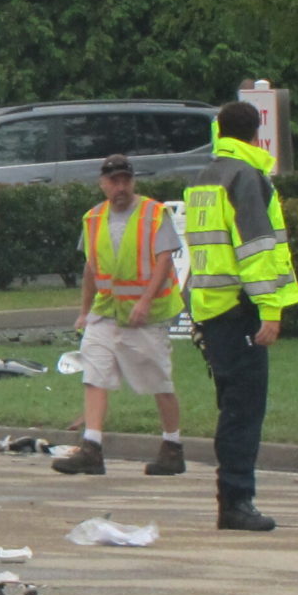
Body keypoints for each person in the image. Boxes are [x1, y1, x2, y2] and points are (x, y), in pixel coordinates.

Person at [180, 101, 298, 531]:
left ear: (220, 131)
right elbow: (255, 250)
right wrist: (270, 310)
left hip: (212, 308)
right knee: (243, 411)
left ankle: (233, 498)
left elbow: (201, 250)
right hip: (241, 308)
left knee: (231, 407)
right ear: (257, 134)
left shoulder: (204, 179)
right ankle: (236, 501)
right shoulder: (246, 178)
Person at [52, 157, 186, 477]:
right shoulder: (94, 218)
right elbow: (90, 267)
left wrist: (144, 301)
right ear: (103, 184)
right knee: (94, 372)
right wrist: (84, 311)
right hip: (106, 310)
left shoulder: (154, 213)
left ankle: (172, 448)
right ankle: (92, 448)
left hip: (146, 316)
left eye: (125, 180)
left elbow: (165, 261)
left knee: (159, 381)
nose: (120, 187)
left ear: (133, 182)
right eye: (114, 181)